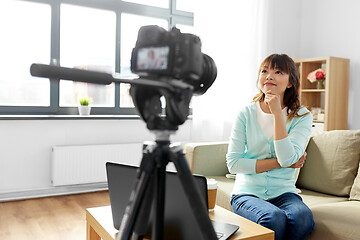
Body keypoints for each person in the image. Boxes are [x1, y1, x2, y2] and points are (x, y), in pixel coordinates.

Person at [226, 54, 315, 240]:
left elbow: (287, 159)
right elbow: (233, 164)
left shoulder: (302, 116)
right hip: (247, 193)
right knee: (273, 218)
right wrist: (279, 163)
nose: (269, 76)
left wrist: (277, 114)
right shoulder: (245, 113)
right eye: (264, 71)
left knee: (303, 218)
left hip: (285, 193)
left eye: (278, 71)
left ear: (291, 82)